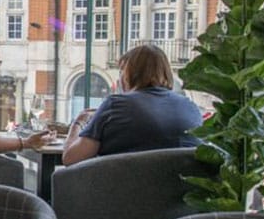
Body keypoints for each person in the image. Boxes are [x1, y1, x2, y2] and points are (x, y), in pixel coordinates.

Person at [61, 44, 202, 165]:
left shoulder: (115, 104)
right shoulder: (191, 107)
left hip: (118, 193)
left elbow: (71, 158)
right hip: (178, 194)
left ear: (129, 74)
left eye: (122, 70)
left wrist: (78, 123)